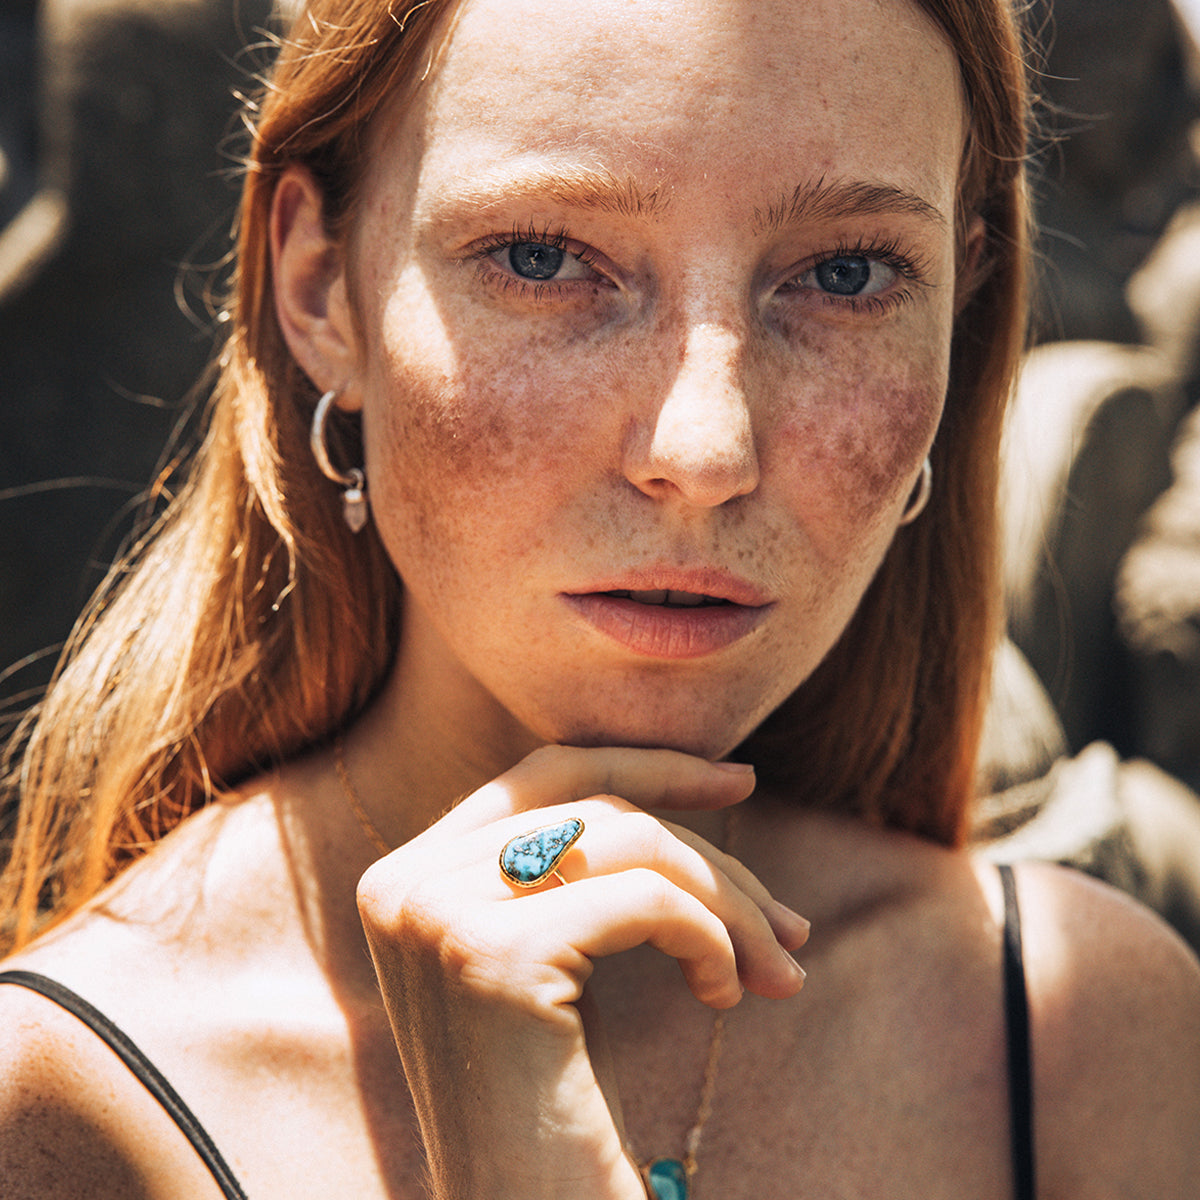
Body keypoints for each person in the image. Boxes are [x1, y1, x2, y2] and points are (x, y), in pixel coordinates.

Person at [0, 0, 1197, 1195]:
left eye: (847, 274)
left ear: (961, 312)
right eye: (543, 258)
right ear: (322, 287)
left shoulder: (1084, 1039)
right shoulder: (72, 1109)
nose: (706, 449)